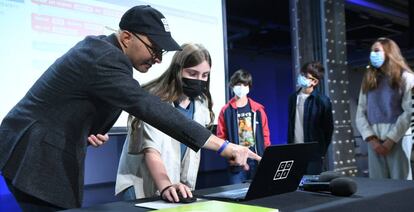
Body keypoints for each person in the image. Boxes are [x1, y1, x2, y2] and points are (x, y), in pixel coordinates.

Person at [0, 5, 260, 210]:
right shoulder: (104, 58)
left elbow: (67, 104)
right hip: (35, 152)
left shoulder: (105, 54)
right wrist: (224, 146)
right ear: (126, 37)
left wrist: (85, 129)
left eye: (162, 53)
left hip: (43, 147)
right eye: (153, 49)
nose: (157, 59)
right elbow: (148, 107)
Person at [115, 43, 213, 202]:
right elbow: (150, 150)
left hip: (176, 185)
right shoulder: (153, 99)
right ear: (178, 70)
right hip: (142, 182)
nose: (199, 80)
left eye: (204, 75)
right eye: (192, 73)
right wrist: (166, 186)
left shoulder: (201, 105)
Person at [356, 37, 414, 180]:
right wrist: (372, 140)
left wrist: (390, 141)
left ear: (389, 52)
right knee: (378, 186)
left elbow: (409, 112)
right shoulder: (369, 79)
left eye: (376, 51)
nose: (372, 54)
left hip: (398, 139)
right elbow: (360, 111)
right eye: (371, 51)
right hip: (374, 140)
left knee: (400, 185)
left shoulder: (407, 77)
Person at [216, 69, 271, 184]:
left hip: (256, 159)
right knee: (236, 194)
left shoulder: (258, 110)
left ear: (249, 87)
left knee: (258, 194)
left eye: (245, 84)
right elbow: (221, 138)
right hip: (236, 161)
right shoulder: (226, 111)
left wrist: (266, 157)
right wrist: (231, 158)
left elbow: (265, 135)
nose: (241, 87)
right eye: (238, 84)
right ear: (232, 86)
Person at [287, 61, 333, 175]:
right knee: (294, 186)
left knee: (311, 185)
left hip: (313, 153)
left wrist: (321, 151)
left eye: (306, 76)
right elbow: (291, 124)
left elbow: (328, 129)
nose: (302, 77)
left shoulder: (322, 101)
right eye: (302, 74)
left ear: (315, 81)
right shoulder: (293, 98)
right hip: (294, 151)